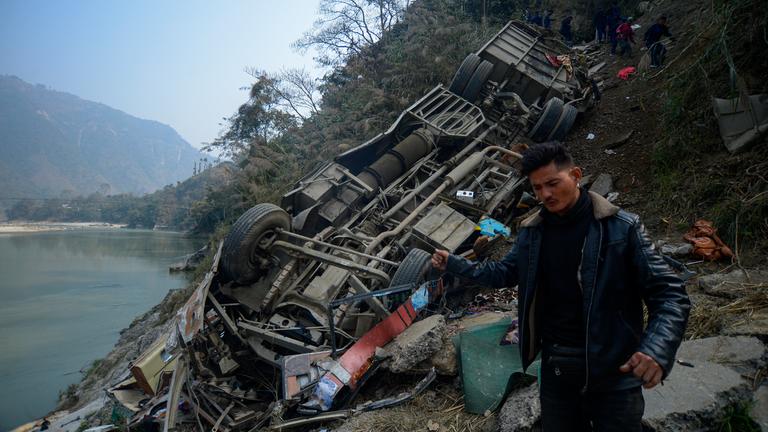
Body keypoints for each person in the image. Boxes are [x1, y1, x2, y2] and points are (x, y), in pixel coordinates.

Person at [431, 143, 690, 431]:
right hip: (557, 370)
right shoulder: (532, 233)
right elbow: (504, 273)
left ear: (576, 175)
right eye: (538, 188)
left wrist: (656, 349)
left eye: (553, 184)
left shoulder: (621, 228)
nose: (545, 195)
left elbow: (669, 295)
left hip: (614, 370)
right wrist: (454, 263)